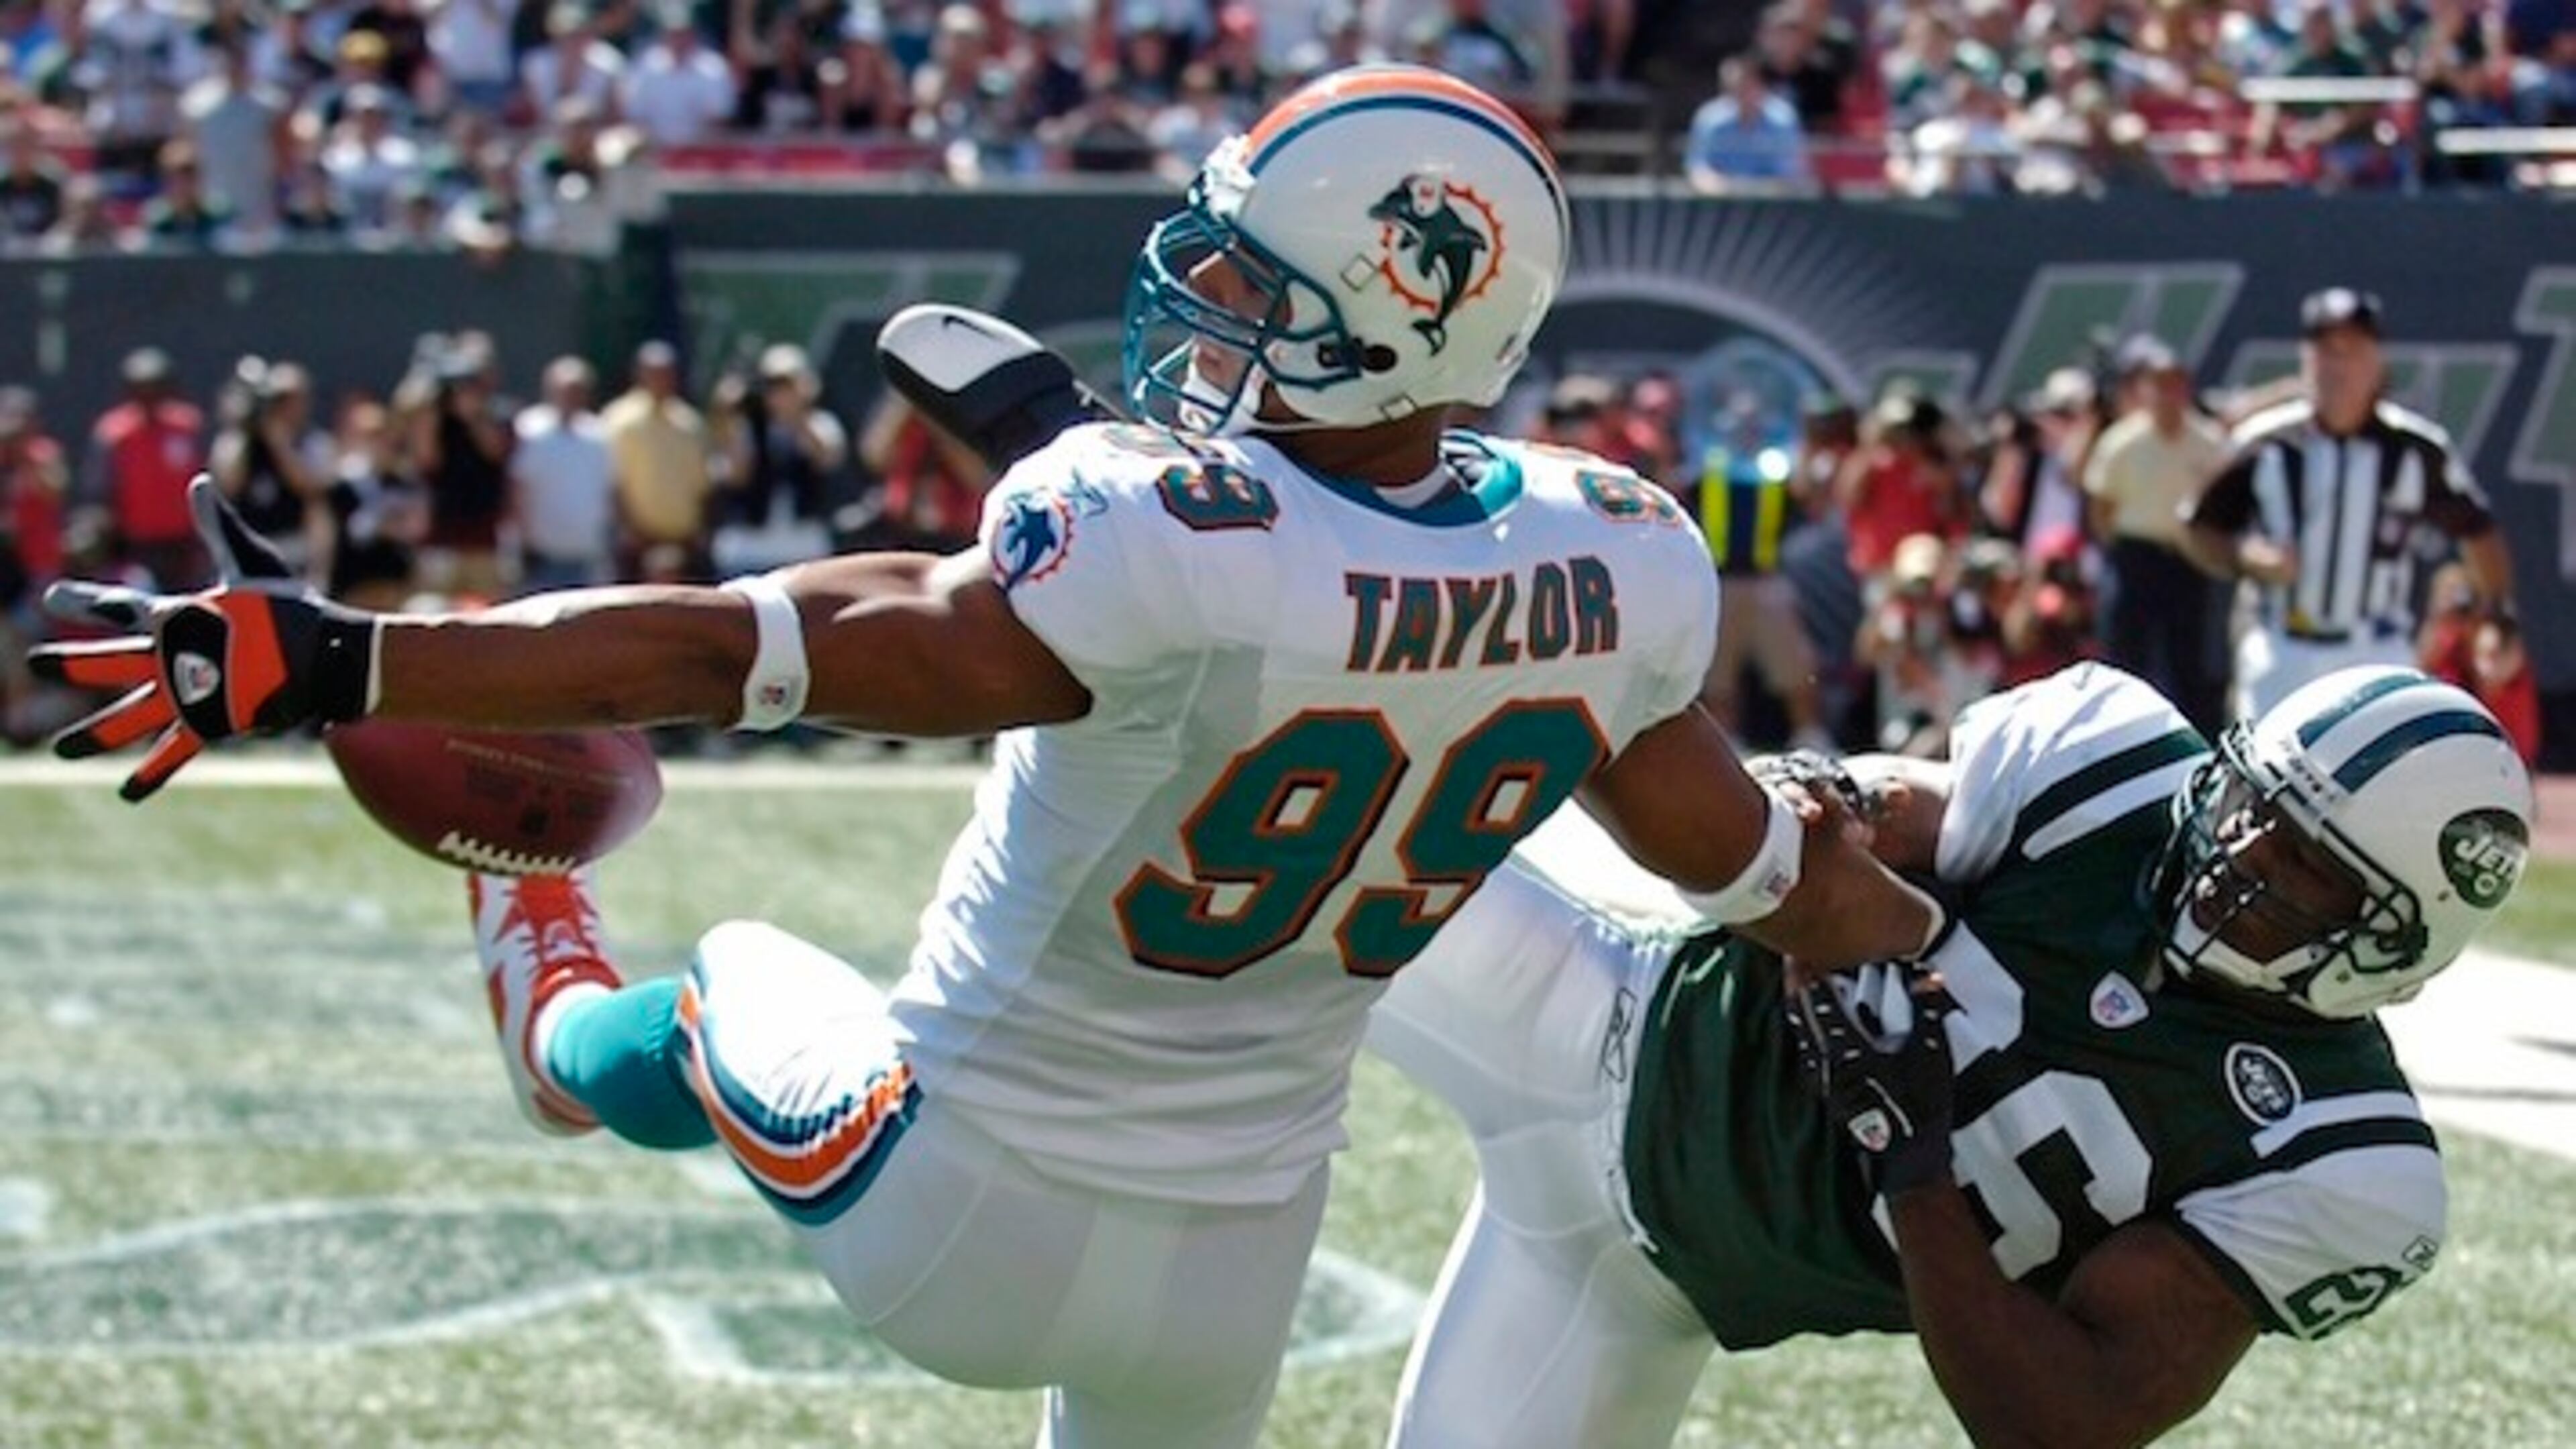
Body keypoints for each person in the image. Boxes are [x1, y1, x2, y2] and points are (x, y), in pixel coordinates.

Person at [29, 66, 1942, 1448]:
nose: (1206, 316)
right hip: (1233, 1273)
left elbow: (749, 641)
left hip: (947, 1198)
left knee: (728, 993)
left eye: (1258, 296)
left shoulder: (1142, 531)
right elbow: (1752, 871)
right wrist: (1919, 928)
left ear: (1390, 320)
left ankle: (553, 1029)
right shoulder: (1612, 551)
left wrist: (350, 658)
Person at [1366, 660, 2532, 1447]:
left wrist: (1914, 1168)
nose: (2239, 863)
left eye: (2302, 871)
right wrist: (1829, 819)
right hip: (1593, 1002)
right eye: (2251, 811)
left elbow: (2062, 1423)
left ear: (2395, 939)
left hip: (1644, 1284)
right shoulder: (2116, 767)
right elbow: (1843, 818)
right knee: (1268, 882)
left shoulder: (2336, 1158)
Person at [2182, 288, 2516, 721]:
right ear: (2305, 358)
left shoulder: (2417, 449)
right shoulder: (2264, 443)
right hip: (2283, 647)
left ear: (2377, 360)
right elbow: (2199, 527)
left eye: (2353, 350)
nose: (2338, 366)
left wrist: (2496, 613)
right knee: (2264, 781)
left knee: (2384, 783)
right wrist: (2246, 556)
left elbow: (2478, 528)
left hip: (2376, 649)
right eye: (2326, 350)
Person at [2085, 335, 2231, 737]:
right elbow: (2102, 506)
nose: (2168, 394)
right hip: (2137, 557)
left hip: (2188, 561)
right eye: (2159, 384)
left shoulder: (2208, 443)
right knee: (2126, 655)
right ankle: (2116, 738)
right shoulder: (2123, 442)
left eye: (2176, 384)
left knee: (2192, 662)